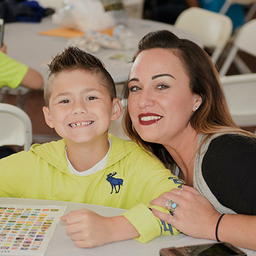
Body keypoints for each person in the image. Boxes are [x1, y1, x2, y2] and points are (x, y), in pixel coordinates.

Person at [0, 46, 184, 248]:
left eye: (91, 97)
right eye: (65, 100)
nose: (78, 108)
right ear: (49, 117)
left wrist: (112, 227)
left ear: (115, 108)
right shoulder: (34, 164)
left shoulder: (137, 163)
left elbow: (183, 207)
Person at [122, 30, 256, 250]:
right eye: (135, 88)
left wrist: (214, 224)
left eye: (162, 86)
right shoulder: (165, 160)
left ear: (197, 98)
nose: (142, 101)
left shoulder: (227, 155)